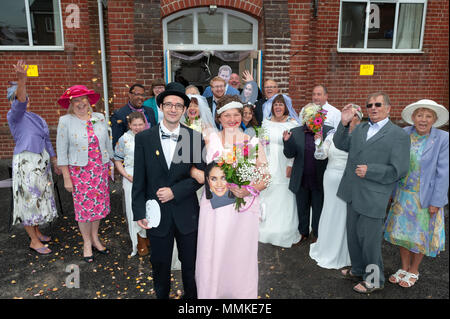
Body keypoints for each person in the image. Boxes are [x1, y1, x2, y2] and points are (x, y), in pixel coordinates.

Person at [132, 82, 206, 299]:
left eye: (178, 105)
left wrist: (175, 191)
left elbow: (199, 177)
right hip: (157, 213)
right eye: (168, 104)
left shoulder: (193, 138)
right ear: (161, 107)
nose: (173, 109)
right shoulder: (145, 138)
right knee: (160, 264)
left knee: (191, 264)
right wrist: (139, 212)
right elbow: (140, 178)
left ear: (184, 110)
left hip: (186, 212)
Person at [193, 94, 269, 299]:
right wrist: (199, 174)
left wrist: (249, 189)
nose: (232, 119)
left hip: (242, 207)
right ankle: (212, 293)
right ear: (219, 117)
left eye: (237, 114)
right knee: (213, 250)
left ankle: (241, 294)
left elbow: (266, 176)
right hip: (214, 208)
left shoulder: (252, 142)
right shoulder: (209, 140)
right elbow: (191, 167)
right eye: (227, 115)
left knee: (240, 252)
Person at [334, 92, 410, 294]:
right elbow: (341, 144)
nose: (373, 108)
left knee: (370, 242)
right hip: (352, 191)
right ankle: (359, 269)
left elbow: (399, 169)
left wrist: (371, 170)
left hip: (374, 195)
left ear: (388, 108)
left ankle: (375, 279)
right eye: (369, 105)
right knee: (354, 236)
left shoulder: (398, 135)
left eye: (378, 104)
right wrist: (343, 124)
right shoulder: (361, 128)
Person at [384, 99, 449, 288]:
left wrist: (437, 201)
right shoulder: (404, 134)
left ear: (434, 120)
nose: (423, 120)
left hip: (425, 198)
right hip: (403, 194)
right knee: (402, 233)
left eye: (428, 116)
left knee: (419, 236)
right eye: (419, 115)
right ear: (413, 118)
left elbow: (443, 174)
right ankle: (404, 267)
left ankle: (414, 270)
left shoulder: (443, 139)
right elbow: (393, 162)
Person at [56, 84, 114, 263]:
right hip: (80, 173)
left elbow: (107, 143)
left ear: (89, 101)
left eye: (83, 99)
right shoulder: (65, 121)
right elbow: (62, 151)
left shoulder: (100, 117)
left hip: (100, 169)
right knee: (84, 209)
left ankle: (95, 237)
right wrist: (66, 177)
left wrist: (111, 163)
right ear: (71, 103)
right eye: (76, 100)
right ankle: (86, 242)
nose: (81, 103)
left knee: (98, 207)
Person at [7, 60, 59, 255]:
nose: (22, 100)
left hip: (41, 162)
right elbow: (19, 104)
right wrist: (22, 79)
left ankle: (37, 231)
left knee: (39, 198)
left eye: (24, 97)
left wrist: (54, 160)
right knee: (29, 200)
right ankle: (33, 240)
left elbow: (46, 140)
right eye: (18, 98)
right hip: (26, 163)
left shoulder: (37, 117)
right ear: (12, 101)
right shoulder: (14, 116)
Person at [309, 105, 363, 269]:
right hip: (330, 178)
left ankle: (343, 252)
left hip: (349, 179)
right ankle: (325, 247)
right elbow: (320, 155)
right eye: (350, 116)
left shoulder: (361, 136)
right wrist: (318, 141)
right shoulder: (333, 134)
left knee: (343, 214)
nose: (352, 120)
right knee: (330, 210)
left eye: (355, 117)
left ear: (359, 120)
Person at [283, 103, 334, 245]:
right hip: (302, 177)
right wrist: (286, 142)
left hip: (320, 178)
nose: (312, 122)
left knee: (319, 207)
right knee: (302, 207)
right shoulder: (295, 132)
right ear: (305, 119)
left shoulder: (329, 132)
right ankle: (303, 233)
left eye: (315, 118)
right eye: (309, 119)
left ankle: (317, 233)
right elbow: (290, 154)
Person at [259, 94, 301, 248]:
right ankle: (264, 226)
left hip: (284, 164)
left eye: (281, 105)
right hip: (268, 162)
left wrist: (290, 165)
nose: (277, 107)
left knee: (284, 193)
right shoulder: (265, 124)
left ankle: (284, 228)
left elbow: (296, 148)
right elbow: (259, 146)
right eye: (275, 104)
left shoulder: (293, 124)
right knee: (267, 191)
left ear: (286, 108)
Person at [114, 112, 149, 257]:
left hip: (148, 177)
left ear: (145, 124)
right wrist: (126, 175)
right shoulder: (124, 139)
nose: (138, 127)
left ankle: (148, 237)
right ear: (129, 125)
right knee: (133, 207)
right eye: (134, 125)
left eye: (140, 124)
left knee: (148, 207)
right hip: (131, 177)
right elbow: (117, 160)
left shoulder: (150, 137)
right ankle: (138, 240)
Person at [111, 83, 157, 149]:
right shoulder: (119, 114)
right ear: (130, 95)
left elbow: (154, 133)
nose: (140, 97)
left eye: (142, 95)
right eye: (137, 94)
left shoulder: (150, 111)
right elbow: (117, 142)